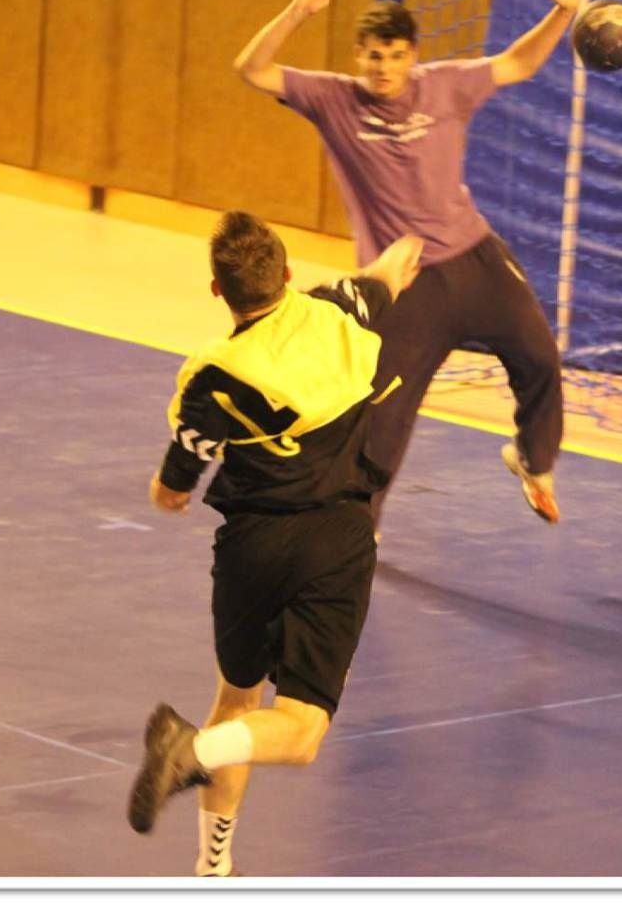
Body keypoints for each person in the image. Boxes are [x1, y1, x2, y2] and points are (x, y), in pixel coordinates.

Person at [231, 0, 585, 527]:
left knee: (540, 357)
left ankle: (533, 460)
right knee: (382, 416)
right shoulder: (333, 99)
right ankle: (356, 528)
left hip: (475, 260)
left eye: (396, 56)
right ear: (359, 56)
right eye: (374, 55)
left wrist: (562, 14)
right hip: (402, 283)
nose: (384, 68)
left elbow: (518, 63)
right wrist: (298, 11)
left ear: (412, 56)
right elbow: (251, 68)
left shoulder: (446, 86)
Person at [126, 211, 423, 877]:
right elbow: (386, 274)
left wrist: (163, 492)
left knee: (239, 702)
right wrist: (405, 247)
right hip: (333, 542)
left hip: (249, 547)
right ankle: (189, 751)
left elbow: (174, 486)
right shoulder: (336, 309)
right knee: (301, 731)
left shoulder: (211, 378)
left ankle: (213, 869)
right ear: (288, 273)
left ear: (218, 290)